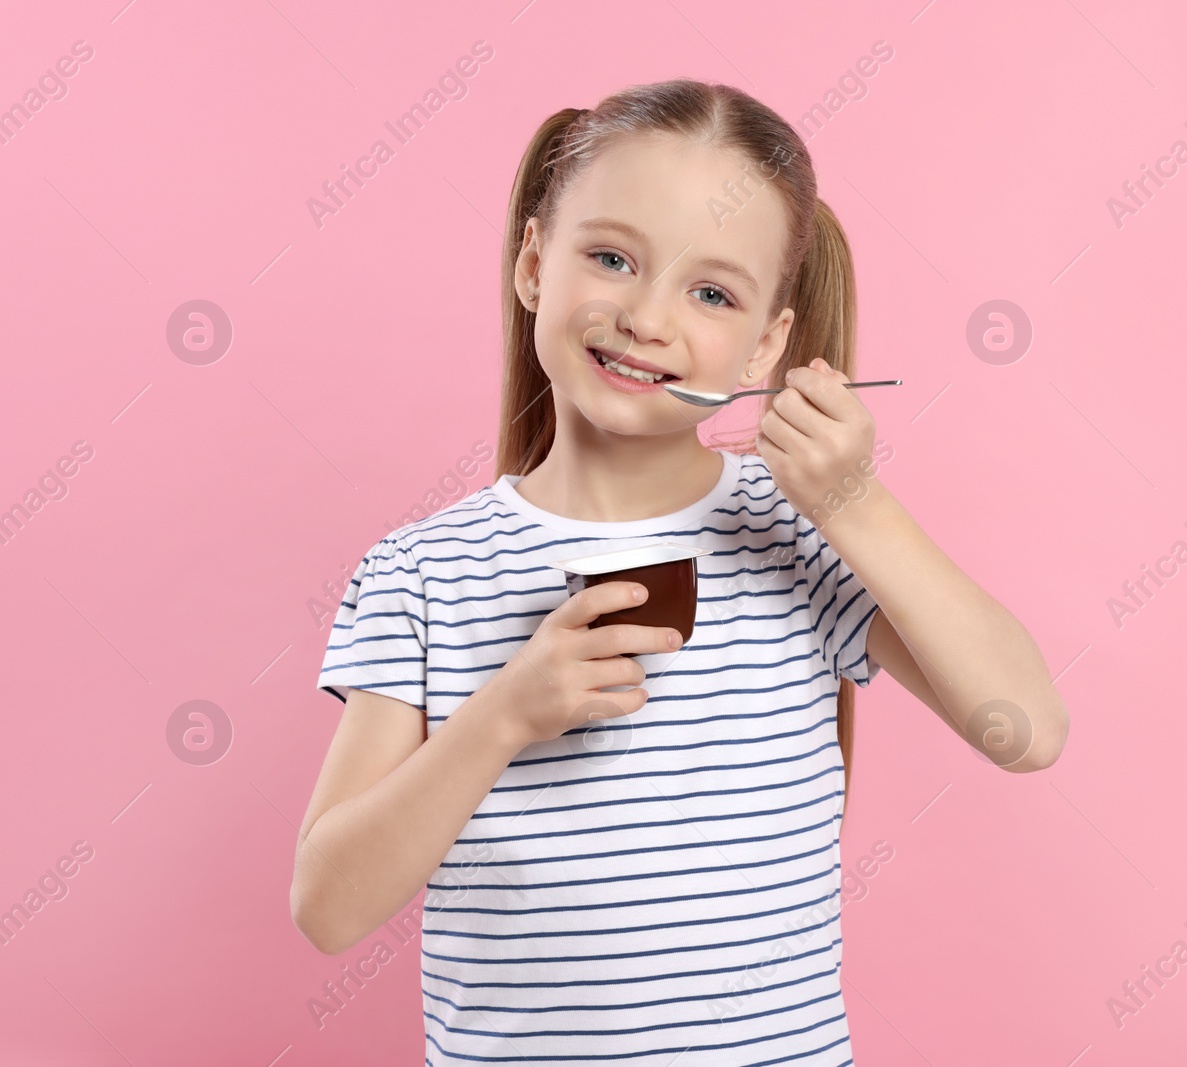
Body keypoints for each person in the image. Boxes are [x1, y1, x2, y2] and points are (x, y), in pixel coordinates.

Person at [291, 77, 1068, 1065]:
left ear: (766, 346)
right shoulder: (424, 572)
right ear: (534, 262)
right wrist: (503, 717)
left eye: (711, 292)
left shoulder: (800, 535)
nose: (646, 316)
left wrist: (854, 503)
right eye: (611, 257)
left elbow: (1028, 729)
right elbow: (327, 906)